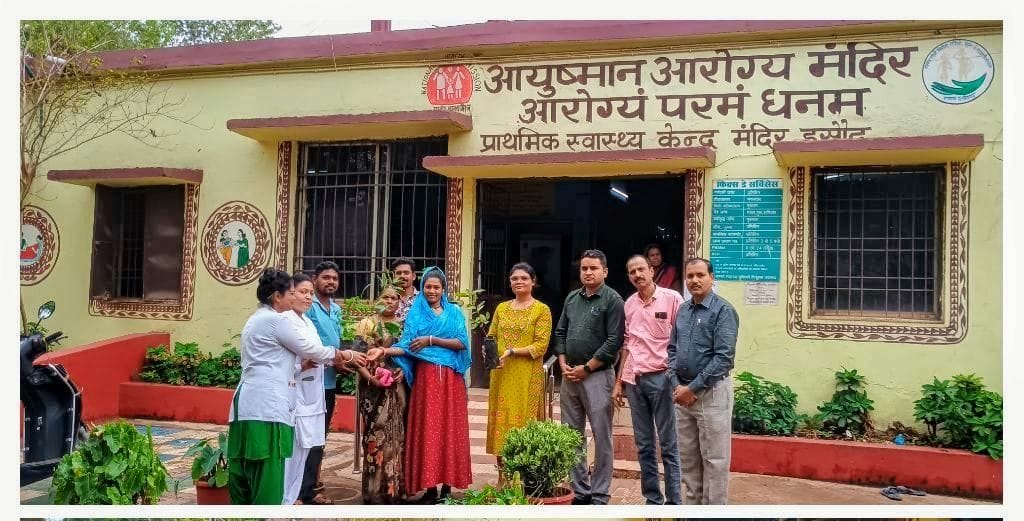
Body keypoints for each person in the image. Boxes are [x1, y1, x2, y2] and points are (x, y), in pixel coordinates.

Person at [227, 268, 366, 505]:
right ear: (276, 296)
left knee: (251, 466)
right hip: (266, 405)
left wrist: (302, 366)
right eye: (292, 293)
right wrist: (346, 355)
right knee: (269, 466)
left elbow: (277, 362)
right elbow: (311, 349)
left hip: (255, 400)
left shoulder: (259, 318)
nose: (295, 298)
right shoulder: (276, 320)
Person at [391, 267, 472, 503]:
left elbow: (462, 342)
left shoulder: (454, 312)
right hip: (425, 381)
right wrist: (384, 351)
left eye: (437, 287)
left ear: (443, 289)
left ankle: (447, 487)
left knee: (450, 429)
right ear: (422, 288)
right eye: (428, 286)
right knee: (427, 430)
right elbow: (406, 346)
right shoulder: (415, 314)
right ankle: (429, 489)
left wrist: (431, 340)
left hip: (450, 381)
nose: (432, 291)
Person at [553, 249, 624, 505]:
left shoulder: (613, 300)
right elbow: (560, 332)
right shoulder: (572, 298)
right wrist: (562, 362)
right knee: (572, 436)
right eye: (584, 268)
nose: (588, 272)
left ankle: (600, 493)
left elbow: (614, 341)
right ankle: (581, 491)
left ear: (605, 271)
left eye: (594, 268)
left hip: (598, 376)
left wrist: (588, 367)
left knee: (602, 436)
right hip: (570, 375)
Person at [611, 255, 684, 505]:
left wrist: (674, 377)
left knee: (669, 445)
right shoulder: (629, 304)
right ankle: (653, 499)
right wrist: (619, 381)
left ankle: (674, 503)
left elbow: (682, 339)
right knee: (644, 445)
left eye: (641, 269)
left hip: (662, 378)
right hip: (634, 380)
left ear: (652, 271)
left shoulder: (672, 299)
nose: (637, 275)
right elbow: (627, 344)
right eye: (632, 272)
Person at [667, 257, 739, 505]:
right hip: (682, 396)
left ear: (712, 277)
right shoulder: (683, 311)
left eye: (700, 275)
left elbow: (724, 358)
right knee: (688, 461)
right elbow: (672, 350)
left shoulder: (723, 311)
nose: (695, 280)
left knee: (714, 461)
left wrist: (693, 388)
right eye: (690, 276)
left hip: (711, 394)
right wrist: (677, 384)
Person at [484, 263, 553, 469]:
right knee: (501, 420)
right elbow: (491, 336)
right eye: (514, 278)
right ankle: (502, 474)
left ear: (533, 281)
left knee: (524, 421)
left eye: (524, 278)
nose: (519, 282)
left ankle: (523, 475)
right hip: (501, 372)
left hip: (527, 375)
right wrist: (489, 352)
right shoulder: (502, 308)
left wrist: (513, 351)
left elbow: (541, 346)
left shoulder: (541, 310)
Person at [354, 286, 409, 504]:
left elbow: (409, 354)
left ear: (399, 302)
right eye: (385, 297)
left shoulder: (403, 326)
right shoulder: (367, 323)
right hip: (372, 388)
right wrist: (371, 377)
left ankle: (394, 491)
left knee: (397, 438)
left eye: (394, 298)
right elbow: (357, 357)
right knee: (374, 437)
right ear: (378, 299)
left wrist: (403, 370)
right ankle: (373, 492)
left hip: (396, 388)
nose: (389, 301)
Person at [282, 273, 333, 505]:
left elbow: (317, 352)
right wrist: (300, 366)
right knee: (294, 450)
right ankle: (289, 497)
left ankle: (301, 493)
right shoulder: (285, 321)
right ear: (290, 294)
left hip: (313, 394)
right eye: (303, 292)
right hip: (296, 393)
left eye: (311, 293)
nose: (308, 297)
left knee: (309, 447)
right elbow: (281, 362)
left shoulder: (307, 322)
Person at [298, 261, 343, 504]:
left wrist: (343, 361)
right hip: (309, 381)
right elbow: (306, 343)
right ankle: (301, 491)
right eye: (326, 277)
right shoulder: (309, 306)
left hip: (329, 382)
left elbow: (336, 341)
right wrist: (338, 358)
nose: (331, 282)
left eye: (334, 278)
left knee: (319, 437)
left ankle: (309, 487)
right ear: (315, 279)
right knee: (305, 437)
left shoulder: (335, 309)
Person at [392, 257, 418, 322]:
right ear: (393, 276)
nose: (402, 276)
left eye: (406, 273)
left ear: (414, 276)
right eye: (398, 273)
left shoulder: (422, 298)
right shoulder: (388, 299)